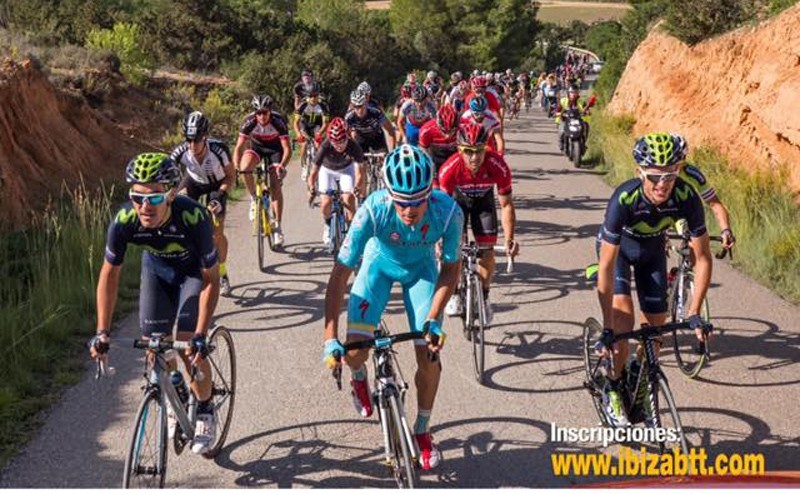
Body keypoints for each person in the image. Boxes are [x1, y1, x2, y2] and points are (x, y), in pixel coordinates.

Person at [322, 144, 463, 470]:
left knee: (429, 355)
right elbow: (339, 276)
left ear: (431, 192)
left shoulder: (449, 212)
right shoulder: (373, 210)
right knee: (356, 351)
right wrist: (331, 337)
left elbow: (451, 268)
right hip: (378, 267)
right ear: (389, 194)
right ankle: (359, 374)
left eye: (417, 201)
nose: (410, 210)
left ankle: (423, 430)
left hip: (421, 274)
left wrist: (433, 318)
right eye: (402, 201)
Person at [88, 152, 219, 454]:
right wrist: (102, 330)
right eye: (137, 197)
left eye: (155, 199)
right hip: (157, 274)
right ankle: (174, 388)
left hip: (193, 276)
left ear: (171, 193)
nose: (145, 206)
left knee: (187, 345)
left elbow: (211, 278)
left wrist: (200, 333)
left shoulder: (193, 217)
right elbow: (109, 274)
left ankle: (206, 406)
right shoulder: (125, 221)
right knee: (153, 346)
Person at [594, 132, 713, 427]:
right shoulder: (624, 198)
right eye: (654, 176)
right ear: (640, 172)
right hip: (619, 251)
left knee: (655, 330)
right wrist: (607, 326)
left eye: (670, 175)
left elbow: (703, 259)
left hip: (652, 251)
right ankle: (611, 385)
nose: (663, 184)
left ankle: (640, 377)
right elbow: (606, 266)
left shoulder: (686, 196)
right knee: (624, 321)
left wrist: (694, 311)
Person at [439, 123, 519, 323]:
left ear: (486, 148)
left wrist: (509, 240)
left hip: (484, 204)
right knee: (452, 251)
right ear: (459, 149)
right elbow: (441, 210)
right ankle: (456, 292)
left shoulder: (497, 165)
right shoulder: (449, 169)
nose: (474, 158)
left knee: (487, 254)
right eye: (468, 151)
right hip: (457, 206)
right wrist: (440, 239)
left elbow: (507, 205)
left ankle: (483, 297)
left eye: (479, 151)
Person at [170, 111, 235, 296]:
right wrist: (170, 193)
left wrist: (221, 194)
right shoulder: (181, 150)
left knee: (216, 234)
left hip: (218, 184)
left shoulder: (219, 149)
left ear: (205, 136)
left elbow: (231, 177)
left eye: (196, 140)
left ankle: (222, 273)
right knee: (179, 214)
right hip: (194, 183)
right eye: (188, 139)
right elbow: (167, 173)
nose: (192, 145)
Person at [233, 94, 292, 247]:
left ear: (270, 111)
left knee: (275, 184)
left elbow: (287, 149)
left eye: (264, 112)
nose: (261, 116)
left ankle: (278, 227)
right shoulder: (249, 121)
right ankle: (254, 199)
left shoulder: (278, 121)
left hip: (275, 150)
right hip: (256, 147)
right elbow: (239, 147)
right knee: (245, 169)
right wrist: (235, 167)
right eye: (258, 113)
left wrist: (282, 166)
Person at [307, 117, 364, 249]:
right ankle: (327, 224)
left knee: (348, 198)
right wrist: (311, 187)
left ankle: (352, 233)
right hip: (328, 170)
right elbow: (313, 173)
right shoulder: (325, 145)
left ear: (347, 137)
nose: (338, 145)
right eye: (335, 142)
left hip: (346, 170)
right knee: (326, 202)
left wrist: (356, 187)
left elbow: (359, 173)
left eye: (342, 141)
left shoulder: (354, 146)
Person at [293, 82, 330, 181]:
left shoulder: (323, 105)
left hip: (317, 125)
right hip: (304, 124)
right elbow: (295, 123)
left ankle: (319, 166)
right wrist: (298, 134)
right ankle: (304, 166)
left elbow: (325, 123)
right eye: (311, 96)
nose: (313, 98)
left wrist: (319, 134)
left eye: (315, 95)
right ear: (307, 96)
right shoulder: (302, 105)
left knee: (318, 145)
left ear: (319, 95)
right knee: (304, 144)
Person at [419, 104, 459, 187]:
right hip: (436, 157)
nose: (448, 136)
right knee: (436, 188)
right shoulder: (426, 131)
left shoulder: (463, 127)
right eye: (444, 131)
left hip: (455, 156)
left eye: (452, 131)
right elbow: (425, 155)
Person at [345, 89, 395, 155]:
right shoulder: (349, 117)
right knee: (360, 163)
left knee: (382, 160)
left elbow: (390, 130)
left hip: (376, 137)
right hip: (361, 139)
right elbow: (347, 136)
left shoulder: (376, 112)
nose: (359, 110)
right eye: (356, 107)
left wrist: (392, 152)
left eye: (361, 106)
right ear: (352, 105)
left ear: (366, 103)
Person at [556, 85, 591, 152]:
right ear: (568, 93)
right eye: (572, 92)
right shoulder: (563, 101)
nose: (574, 94)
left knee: (586, 126)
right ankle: (561, 143)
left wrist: (587, 112)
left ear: (578, 93)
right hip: (565, 120)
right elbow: (557, 110)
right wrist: (558, 113)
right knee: (562, 130)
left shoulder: (581, 101)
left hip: (578, 120)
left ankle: (583, 142)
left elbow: (587, 108)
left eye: (576, 92)